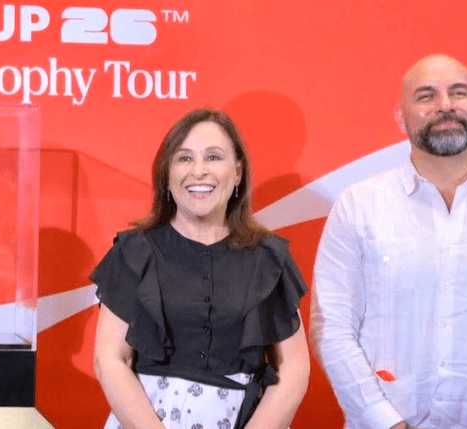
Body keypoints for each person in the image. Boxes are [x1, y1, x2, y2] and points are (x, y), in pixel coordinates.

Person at [92, 108, 309, 429]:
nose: (198, 171)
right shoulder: (134, 252)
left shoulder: (268, 258)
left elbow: (294, 369)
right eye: (184, 158)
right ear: (166, 174)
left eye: (213, 157)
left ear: (238, 172)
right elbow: (110, 359)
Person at [311, 54, 467, 429]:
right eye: (426, 96)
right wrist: (385, 422)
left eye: (458, 93)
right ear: (400, 117)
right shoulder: (360, 205)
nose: (445, 105)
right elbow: (332, 327)